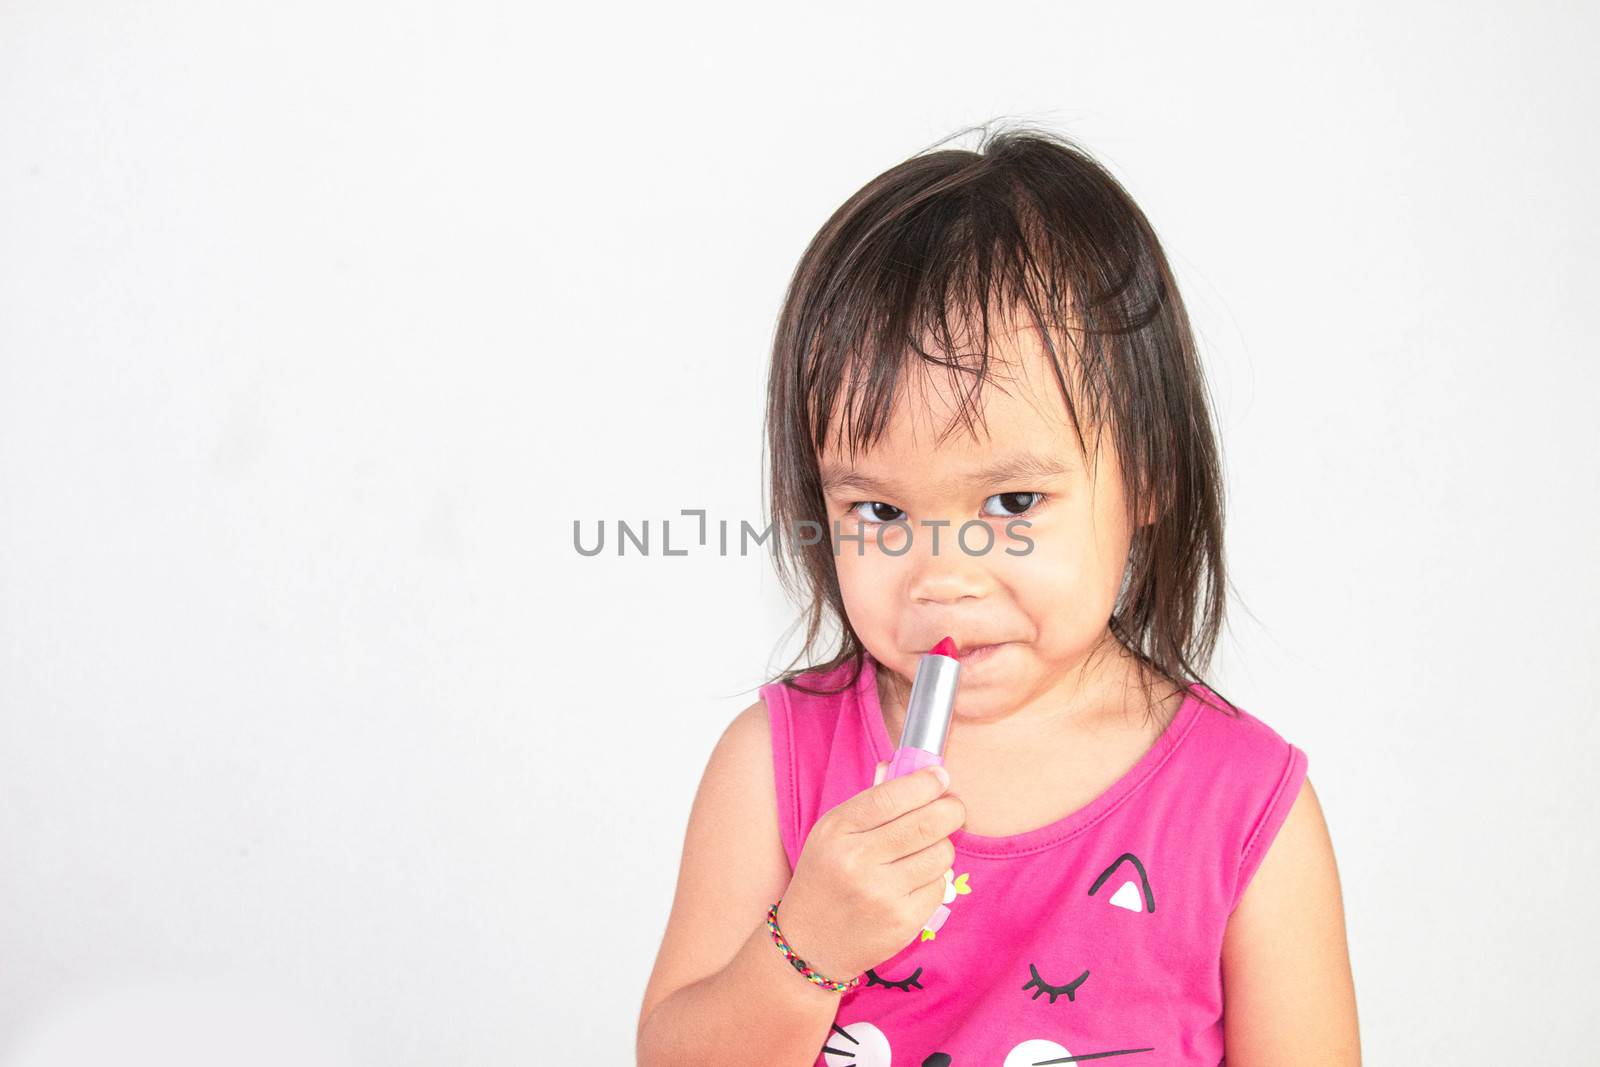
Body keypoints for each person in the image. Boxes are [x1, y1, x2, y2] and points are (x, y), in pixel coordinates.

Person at [636, 125, 1360, 1066]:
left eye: (1014, 501)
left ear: (1149, 476)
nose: (942, 572)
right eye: (881, 510)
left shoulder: (1242, 809)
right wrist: (806, 948)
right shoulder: (775, 767)